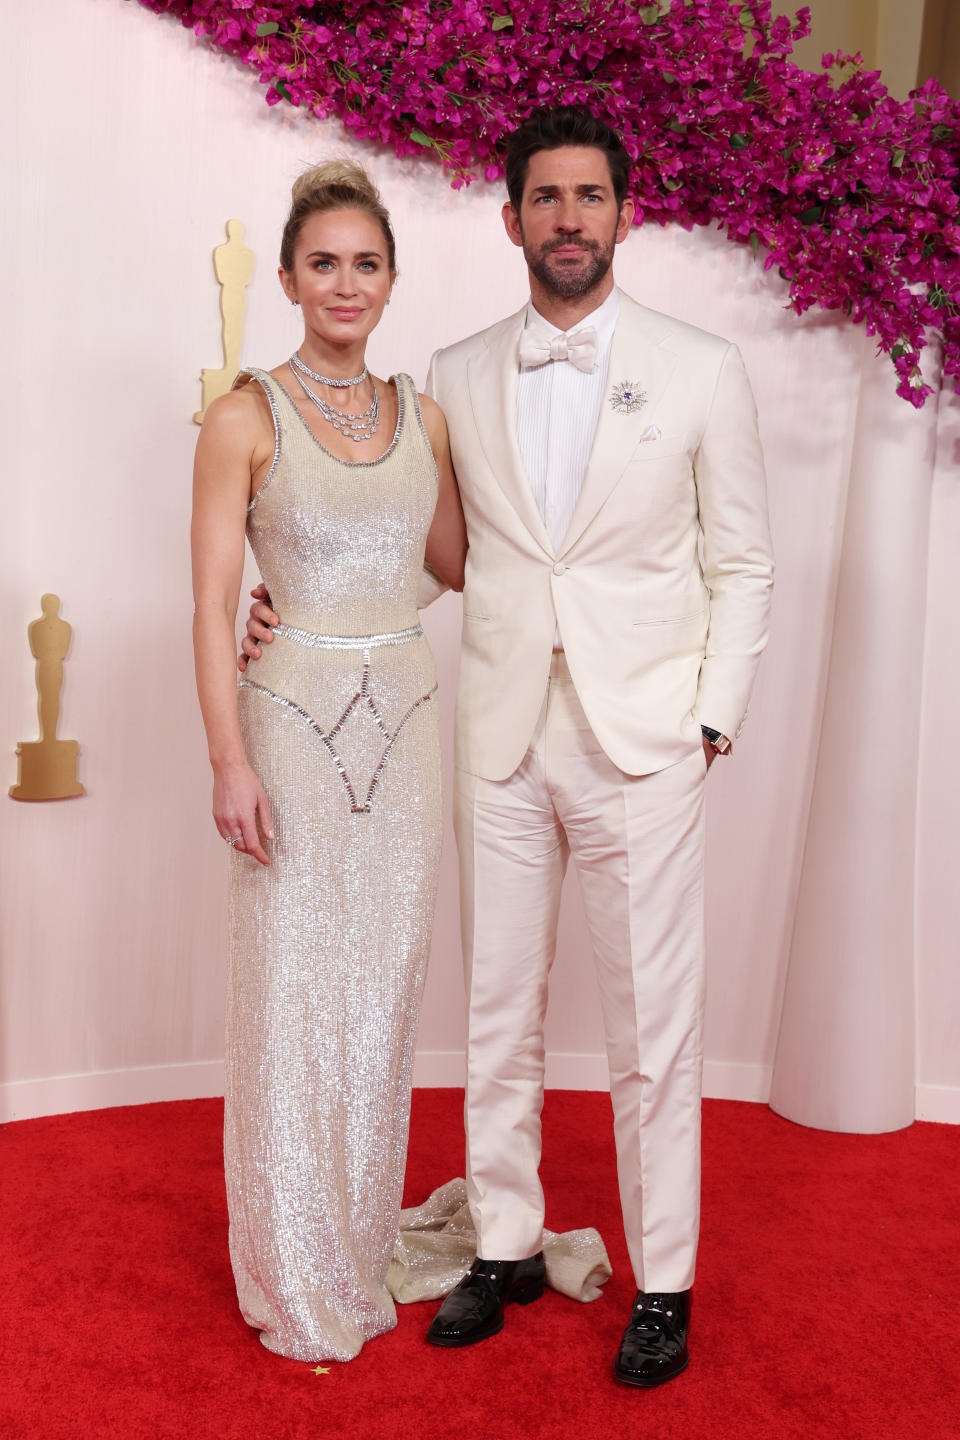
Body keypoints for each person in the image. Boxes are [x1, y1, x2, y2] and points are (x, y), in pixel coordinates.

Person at [242, 106, 774, 1386]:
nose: (570, 219)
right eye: (547, 198)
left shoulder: (701, 367)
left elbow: (743, 560)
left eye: (592, 197)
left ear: (624, 215)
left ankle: (665, 1282)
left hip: (644, 739)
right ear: (511, 220)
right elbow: (422, 550)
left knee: (657, 1028)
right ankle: (505, 1244)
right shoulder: (458, 374)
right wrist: (281, 597)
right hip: (493, 734)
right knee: (496, 1013)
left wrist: (713, 715)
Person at [191, 159, 466, 1362]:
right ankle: (294, 1271)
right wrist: (225, 759)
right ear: (292, 280)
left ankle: (356, 1245)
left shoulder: (428, 415)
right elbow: (207, 606)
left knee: (383, 1000)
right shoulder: (242, 416)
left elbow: (455, 560)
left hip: (407, 724)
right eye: (322, 264)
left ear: (392, 280)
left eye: (366, 263)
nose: (344, 284)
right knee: (295, 999)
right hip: (289, 734)